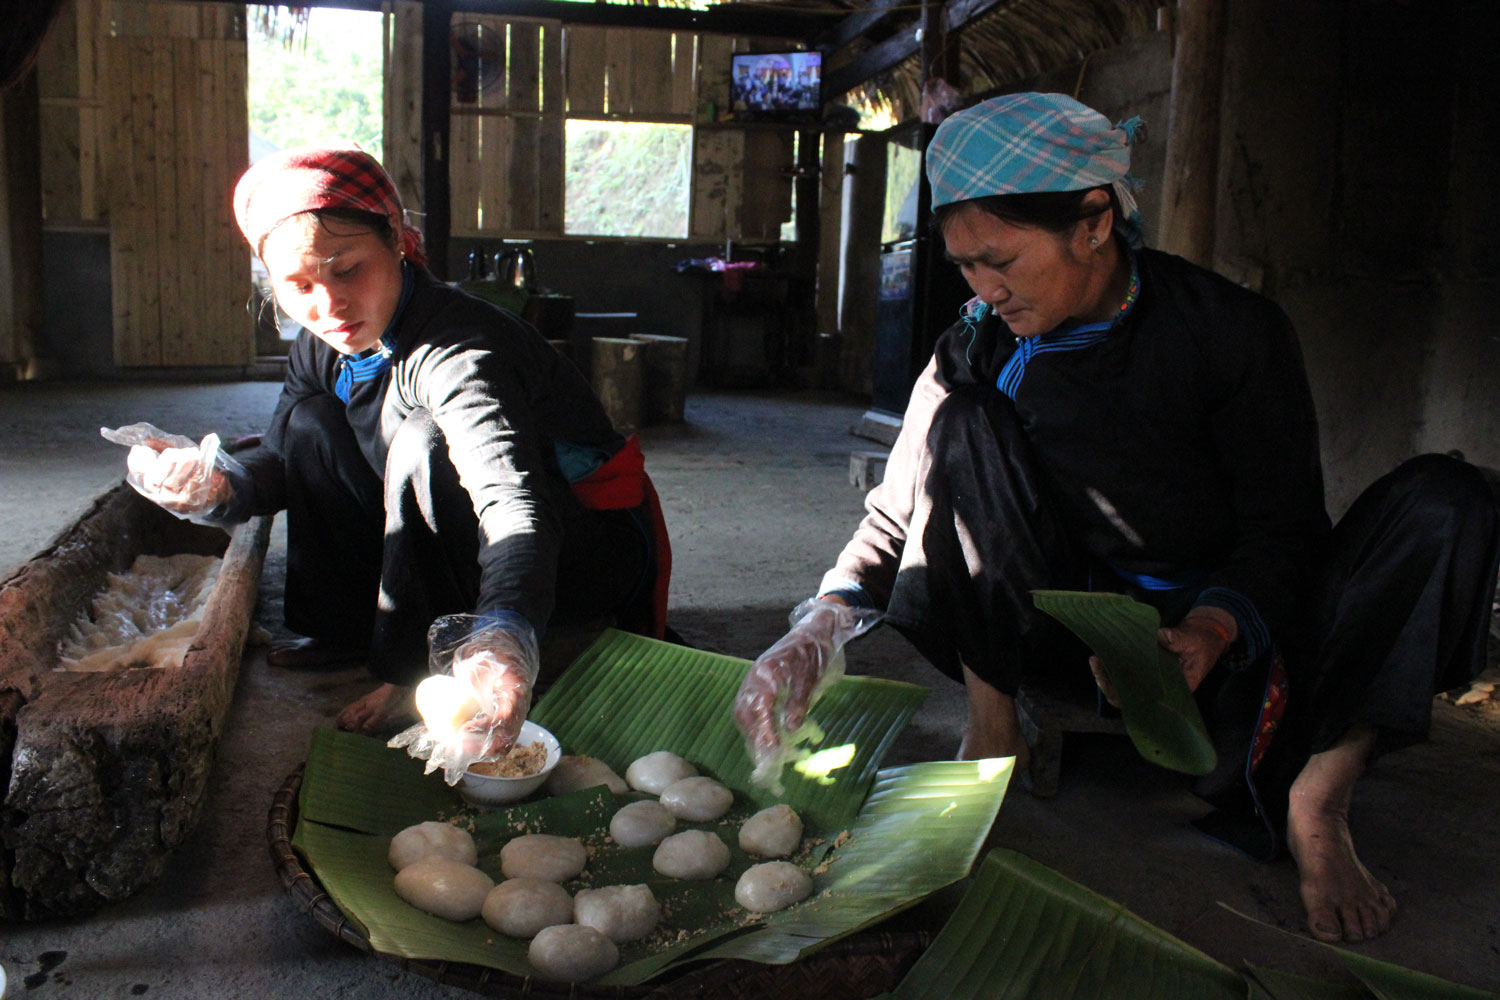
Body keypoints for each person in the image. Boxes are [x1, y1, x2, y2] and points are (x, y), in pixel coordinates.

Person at [733, 93, 1499, 946]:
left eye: (1002, 261)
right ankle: (993, 731)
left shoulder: (1232, 332)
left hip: (1235, 635)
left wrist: (1213, 626)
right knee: (961, 422)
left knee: (1450, 498)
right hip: (1078, 635)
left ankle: (1320, 796)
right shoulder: (980, 342)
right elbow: (897, 511)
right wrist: (818, 627)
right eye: (964, 267)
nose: (985, 290)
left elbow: (1284, 530)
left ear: (1094, 222)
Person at [122, 144, 669, 756]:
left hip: (579, 548)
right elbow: (280, 458)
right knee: (310, 423)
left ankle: (414, 666)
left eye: (347, 269)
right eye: (298, 285)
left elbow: (512, 505)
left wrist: (505, 629)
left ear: (398, 242)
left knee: (422, 439)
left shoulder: (460, 352)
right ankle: (340, 630)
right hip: (477, 532)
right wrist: (218, 485)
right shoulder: (318, 342)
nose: (327, 305)